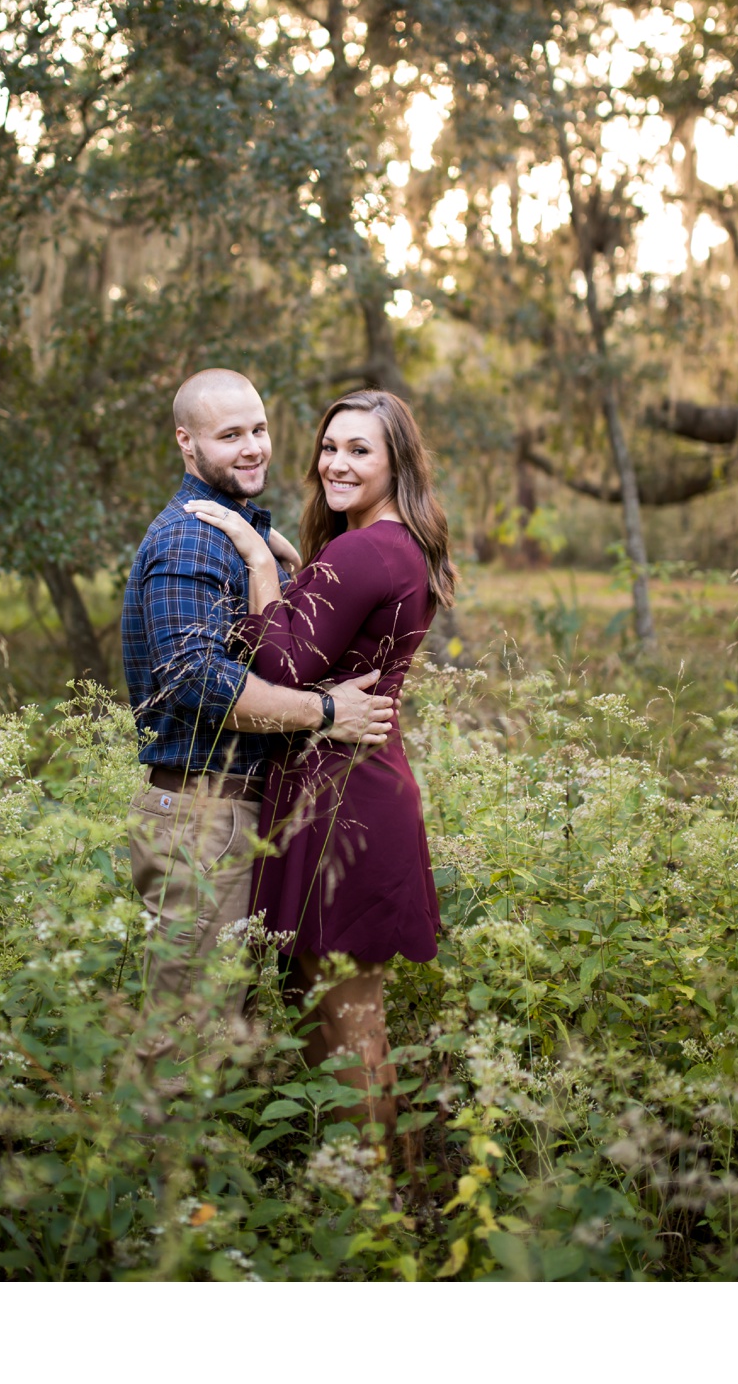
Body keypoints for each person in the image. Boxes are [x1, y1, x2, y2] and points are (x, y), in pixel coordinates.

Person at [184, 388, 456, 1152]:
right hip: (342, 787)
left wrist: (251, 555)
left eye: (359, 450)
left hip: (347, 801)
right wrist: (301, 572)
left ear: (396, 461)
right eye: (330, 447)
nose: (336, 463)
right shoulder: (384, 546)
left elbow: (282, 661)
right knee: (325, 1006)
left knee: (344, 1015)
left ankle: (367, 1206)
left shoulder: (369, 548)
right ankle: (368, 1184)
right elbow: (325, 645)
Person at [119, 369, 394, 1007]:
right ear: (187, 443)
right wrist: (326, 712)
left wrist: (277, 563)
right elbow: (199, 681)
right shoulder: (191, 538)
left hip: (231, 814)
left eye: (260, 429)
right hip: (202, 817)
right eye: (230, 436)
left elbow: (270, 649)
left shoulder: (232, 534)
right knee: (189, 1053)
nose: (253, 448)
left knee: (224, 1041)